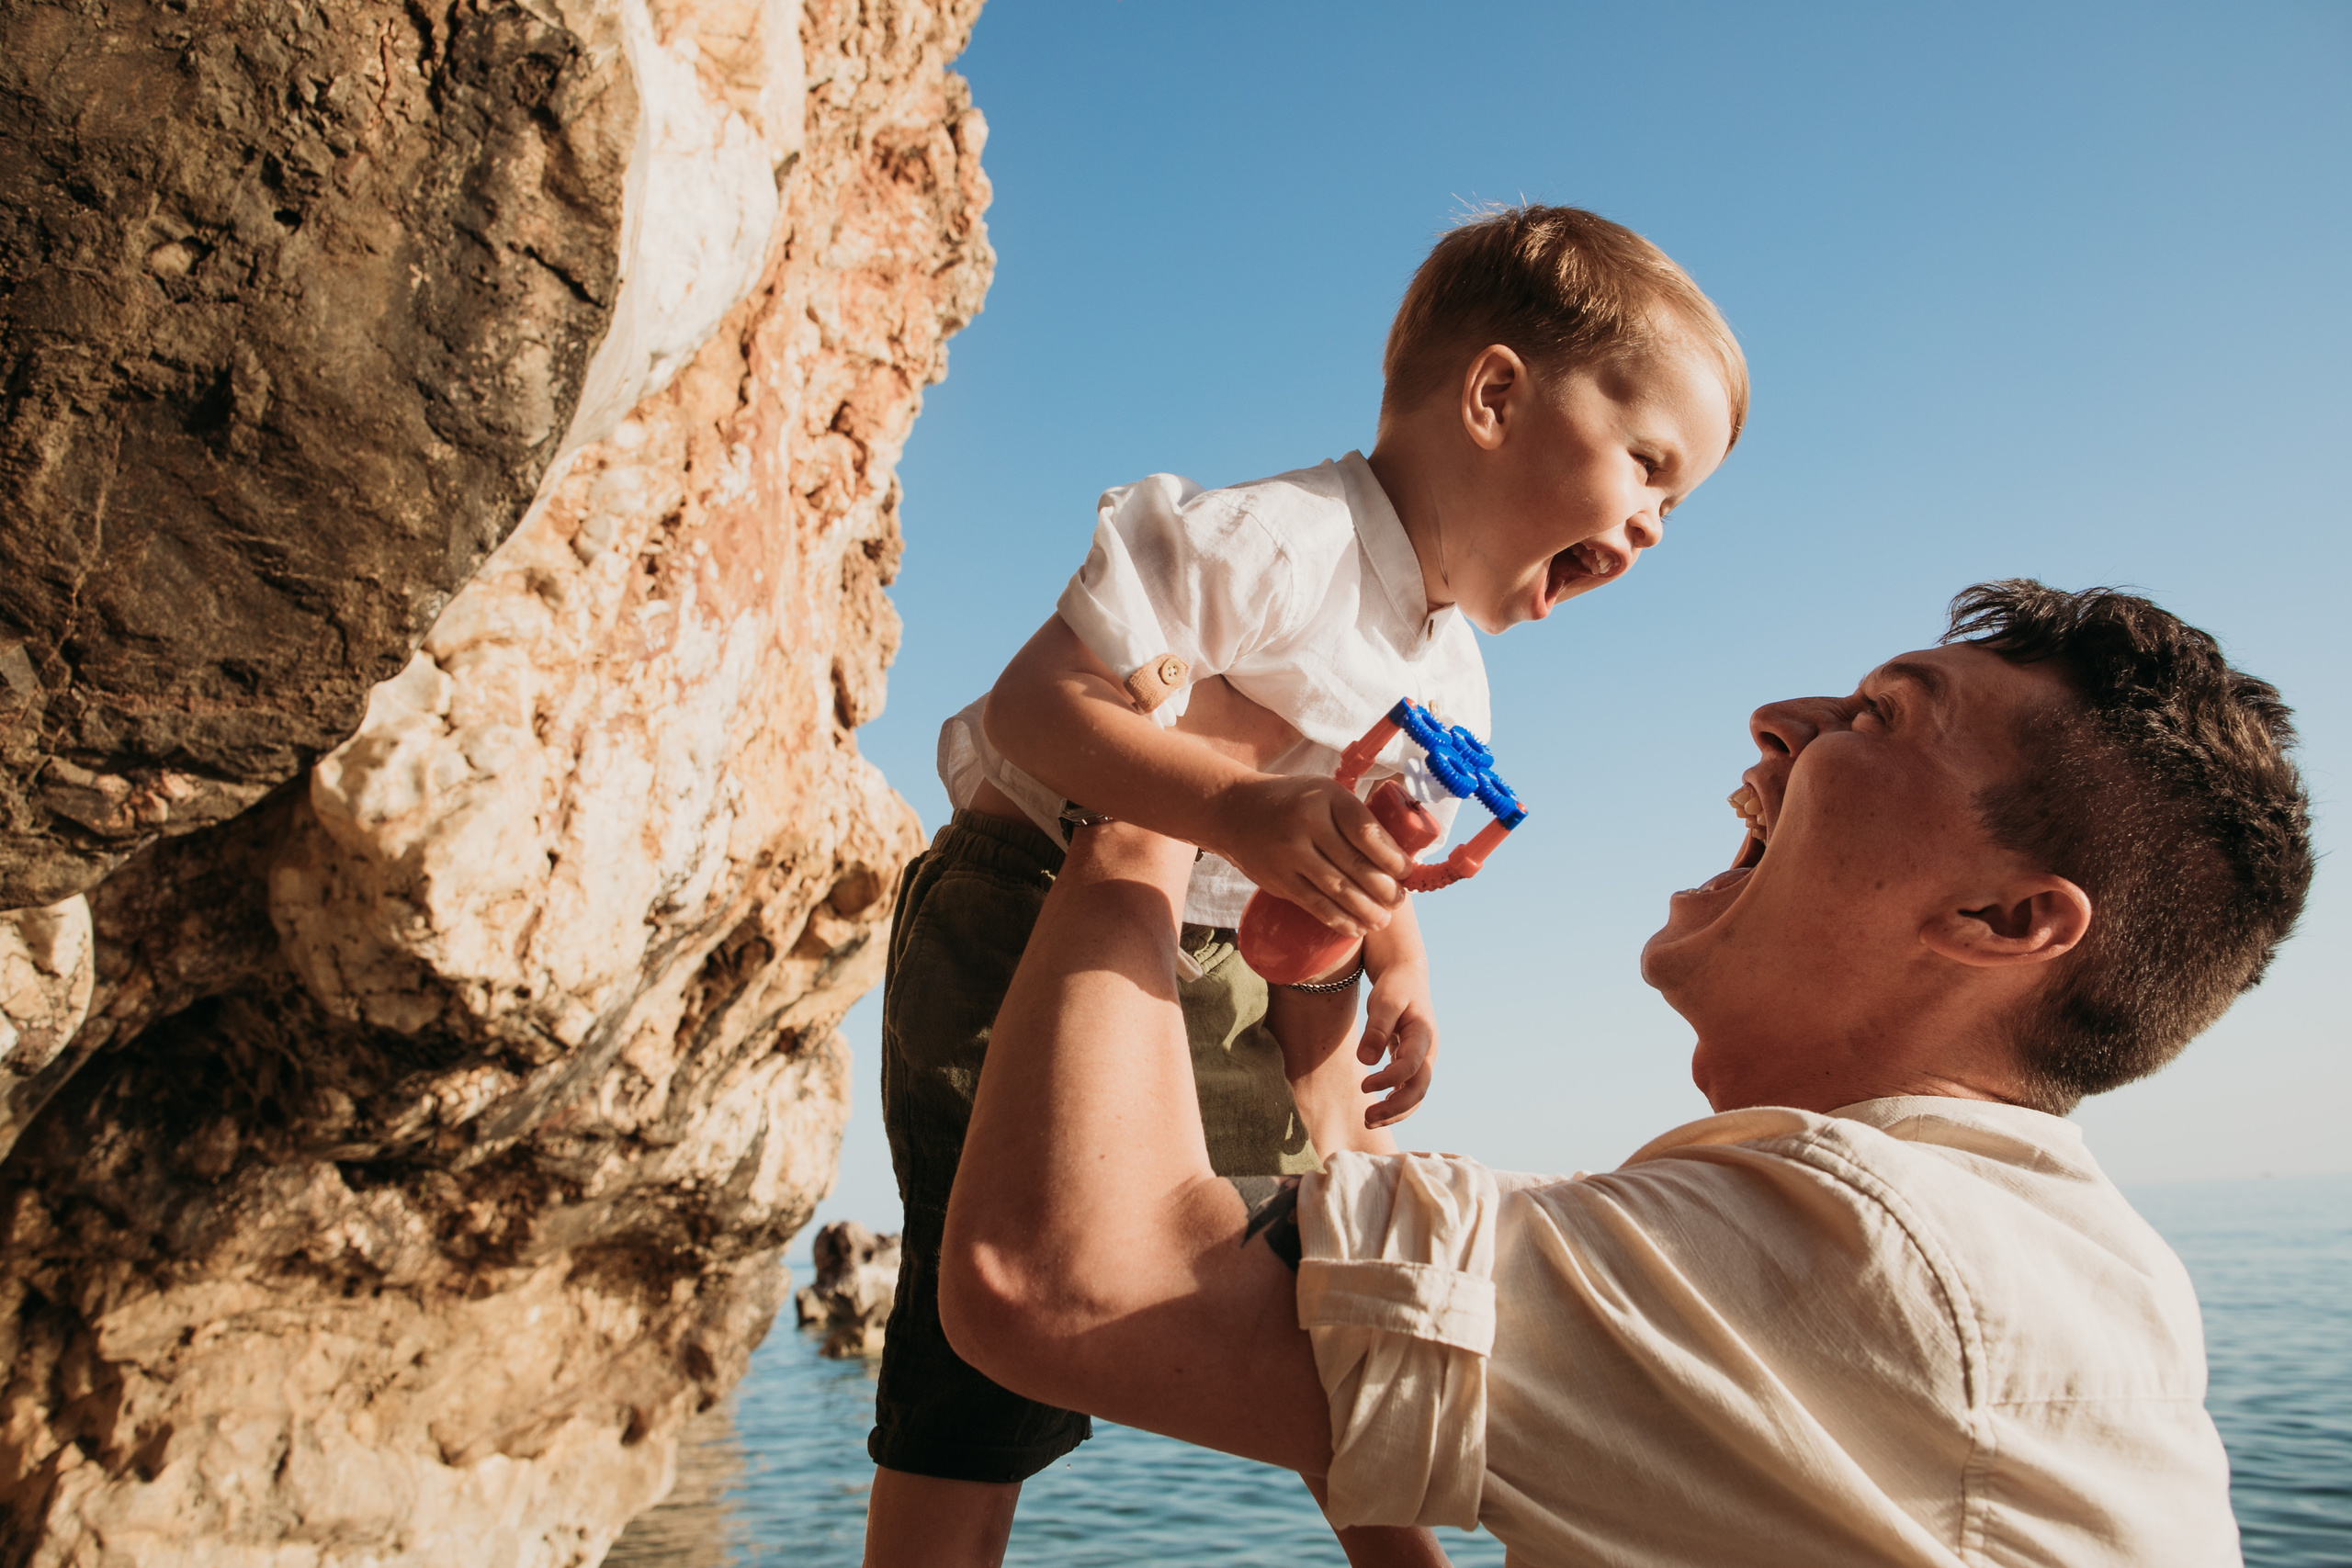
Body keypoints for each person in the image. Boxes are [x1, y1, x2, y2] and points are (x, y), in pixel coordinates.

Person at [939, 581, 2313, 1566]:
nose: (1779, 719)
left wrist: (1168, 786)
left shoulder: (1865, 1247)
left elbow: (1065, 1283)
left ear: (2004, 921)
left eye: (1884, 718)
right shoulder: (2068, 1269)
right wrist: (1316, 985)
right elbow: (1337, 1322)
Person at [863, 205, 1747, 1567]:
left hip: (1222, 955)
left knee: (1319, 1273)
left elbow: (1375, 839)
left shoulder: (1454, 673)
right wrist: (1231, 804)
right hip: (1025, 906)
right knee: (988, 1309)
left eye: (1675, 506)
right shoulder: (1273, 544)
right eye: (1649, 466)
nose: (1654, 528)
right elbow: (1038, 706)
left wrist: (1401, 961)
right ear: (1495, 397)